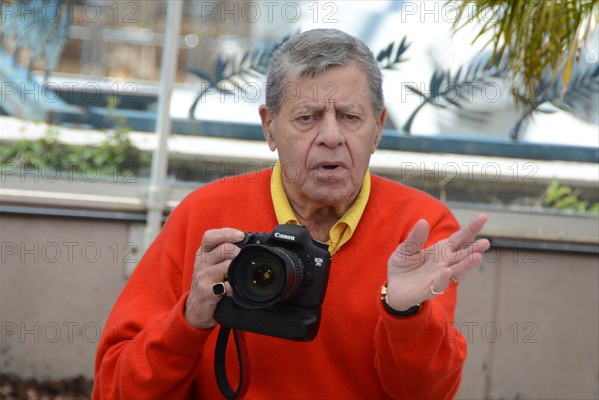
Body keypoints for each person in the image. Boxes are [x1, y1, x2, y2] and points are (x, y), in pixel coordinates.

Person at [93, 28, 490, 399]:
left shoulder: (419, 228)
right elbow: (113, 387)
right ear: (269, 128)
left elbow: (426, 393)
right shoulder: (206, 216)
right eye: (307, 117)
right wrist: (189, 321)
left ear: (378, 128)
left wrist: (406, 314)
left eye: (350, 117)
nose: (332, 137)